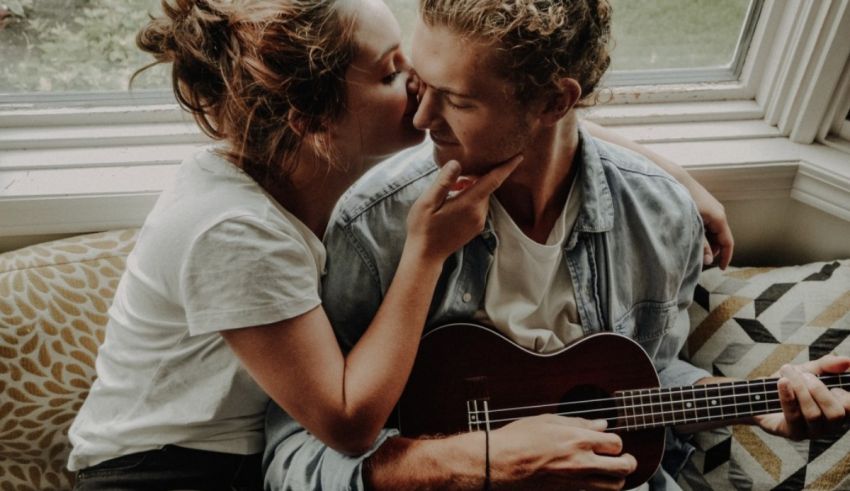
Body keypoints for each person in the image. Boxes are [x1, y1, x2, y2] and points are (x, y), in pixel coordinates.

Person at [263, 0, 850, 490]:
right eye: (418, 83)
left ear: (554, 102)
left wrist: (757, 403)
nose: (419, 119)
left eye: (457, 100)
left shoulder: (662, 215)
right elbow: (293, 459)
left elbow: (645, 374)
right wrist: (481, 463)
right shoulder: (377, 224)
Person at [66, 0, 521, 489]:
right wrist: (427, 252)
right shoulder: (235, 231)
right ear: (309, 118)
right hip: (165, 471)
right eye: (391, 71)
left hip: (241, 459)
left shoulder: (305, 164)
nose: (419, 79)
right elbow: (348, 423)